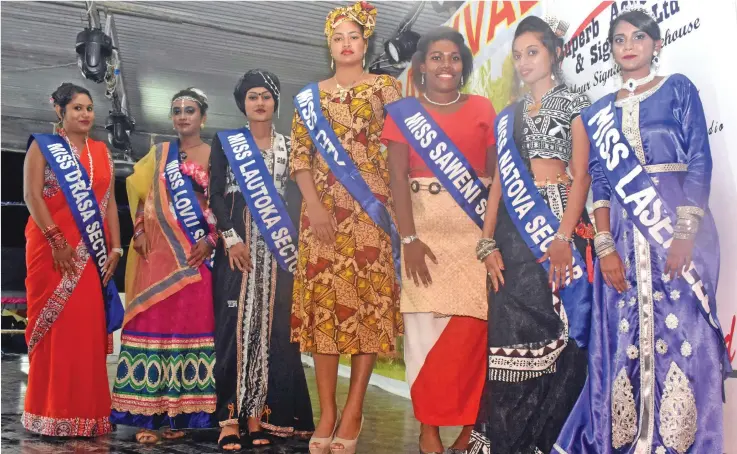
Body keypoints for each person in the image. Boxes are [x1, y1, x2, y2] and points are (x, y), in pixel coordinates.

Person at [555, 9, 731, 453]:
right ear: (611, 50)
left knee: (686, 334)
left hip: (675, 230)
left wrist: (685, 234)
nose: (628, 45)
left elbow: (700, 164)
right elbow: (598, 180)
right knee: (625, 338)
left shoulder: (678, 90)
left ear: (655, 43)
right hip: (625, 246)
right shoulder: (600, 112)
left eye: (638, 37)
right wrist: (605, 245)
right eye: (618, 39)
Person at [467, 16, 595, 454]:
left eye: (532, 52)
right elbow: (500, 182)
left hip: (558, 224)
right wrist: (486, 241)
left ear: (554, 52)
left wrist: (562, 237)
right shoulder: (508, 118)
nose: (523, 62)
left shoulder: (577, 103)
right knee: (507, 338)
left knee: (560, 336)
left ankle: (547, 442)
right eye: (518, 55)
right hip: (510, 233)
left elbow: (580, 176)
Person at [289, 2, 403, 453]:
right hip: (321, 215)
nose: (346, 44)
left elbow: (399, 149)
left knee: (367, 311)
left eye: (354, 36)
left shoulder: (387, 87)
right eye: (338, 37)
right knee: (324, 312)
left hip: (372, 212)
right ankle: (328, 411)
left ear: (366, 43)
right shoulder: (309, 96)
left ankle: (354, 409)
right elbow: (300, 156)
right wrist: (313, 205)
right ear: (329, 46)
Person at [382, 26, 495, 454]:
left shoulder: (484, 108)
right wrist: (407, 237)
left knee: (470, 337)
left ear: (463, 65)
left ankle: (469, 430)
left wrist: (489, 237)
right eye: (436, 57)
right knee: (423, 334)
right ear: (421, 66)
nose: (445, 65)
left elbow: (491, 180)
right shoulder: (403, 112)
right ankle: (428, 428)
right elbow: (396, 177)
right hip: (422, 232)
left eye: (453, 57)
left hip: (472, 234)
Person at [209, 70, 315, 451]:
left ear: (275, 102)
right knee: (233, 332)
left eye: (266, 96)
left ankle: (257, 417)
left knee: (271, 334)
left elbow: (299, 200)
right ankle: (228, 419)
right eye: (252, 97)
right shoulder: (226, 143)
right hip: (238, 253)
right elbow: (216, 196)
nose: (259, 103)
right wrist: (231, 238)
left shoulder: (290, 146)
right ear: (243, 103)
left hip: (278, 255)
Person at [110, 88, 218, 443]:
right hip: (157, 256)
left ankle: (180, 418)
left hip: (196, 259)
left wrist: (211, 239)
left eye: (190, 110)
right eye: (177, 111)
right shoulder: (159, 154)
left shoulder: (218, 156)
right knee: (153, 326)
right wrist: (138, 229)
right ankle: (148, 417)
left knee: (189, 329)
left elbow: (226, 203)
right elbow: (141, 196)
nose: (183, 115)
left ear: (203, 116)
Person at [22, 82, 123, 436]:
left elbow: (108, 202)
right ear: (60, 112)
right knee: (57, 331)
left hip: (91, 255)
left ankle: (88, 414)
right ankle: (48, 411)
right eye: (77, 108)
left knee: (86, 332)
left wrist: (115, 248)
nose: (85, 114)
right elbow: (31, 195)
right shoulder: (43, 146)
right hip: (51, 252)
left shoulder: (101, 151)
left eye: (89, 108)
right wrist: (56, 240)